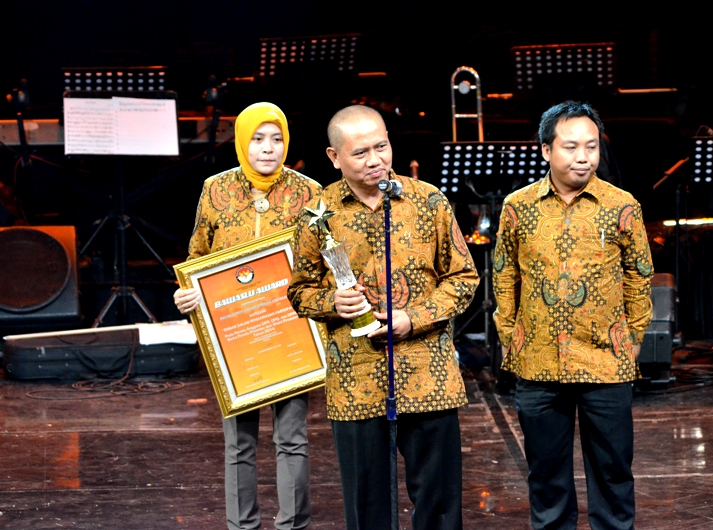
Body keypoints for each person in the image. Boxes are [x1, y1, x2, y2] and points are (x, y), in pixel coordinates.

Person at [287, 104, 479, 530]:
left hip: (429, 376)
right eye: (360, 153)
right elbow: (299, 291)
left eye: (382, 147)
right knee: (368, 508)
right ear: (334, 157)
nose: (375, 160)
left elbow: (464, 277)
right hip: (356, 380)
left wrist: (414, 317)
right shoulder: (317, 214)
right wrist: (332, 303)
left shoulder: (428, 200)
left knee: (440, 505)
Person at [492, 100, 654, 530]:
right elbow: (504, 276)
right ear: (546, 150)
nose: (583, 157)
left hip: (606, 362)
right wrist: (510, 336)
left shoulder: (621, 205)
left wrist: (633, 340)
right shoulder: (517, 206)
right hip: (538, 363)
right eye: (571, 147)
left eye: (591, 146)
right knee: (546, 478)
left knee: (614, 474)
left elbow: (639, 276)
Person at [173, 102, 322, 530]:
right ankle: (242, 526)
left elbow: (323, 259)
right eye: (258, 139)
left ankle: (293, 525)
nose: (268, 148)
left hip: (291, 332)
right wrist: (186, 294)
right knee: (238, 444)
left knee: (292, 439)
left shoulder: (309, 192)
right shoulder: (215, 190)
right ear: (242, 141)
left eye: (276, 139)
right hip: (234, 337)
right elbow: (197, 258)